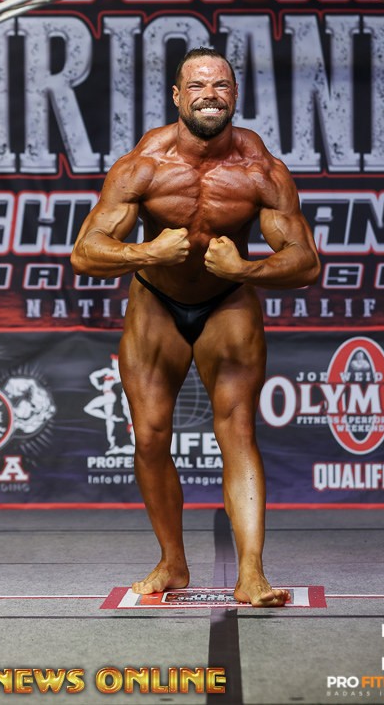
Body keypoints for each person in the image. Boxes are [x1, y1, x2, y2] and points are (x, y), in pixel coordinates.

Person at [71, 47, 320, 607]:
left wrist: (245, 270)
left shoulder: (261, 171)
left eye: (221, 85)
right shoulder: (142, 165)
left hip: (228, 301)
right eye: (198, 86)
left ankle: (252, 573)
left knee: (238, 432)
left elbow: (306, 262)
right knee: (149, 436)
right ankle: (172, 562)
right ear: (178, 96)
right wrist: (146, 252)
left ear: (235, 95)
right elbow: (85, 252)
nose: (210, 95)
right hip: (156, 302)